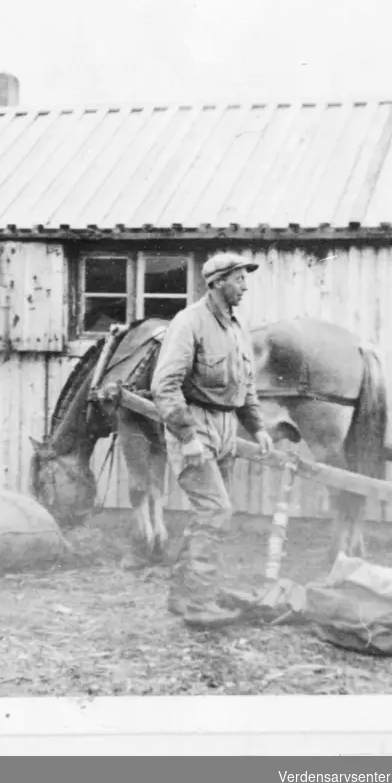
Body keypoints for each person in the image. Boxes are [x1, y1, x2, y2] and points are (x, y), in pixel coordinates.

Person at [150, 253, 275, 630]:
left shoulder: (237, 327)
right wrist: (186, 437)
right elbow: (164, 386)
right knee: (216, 511)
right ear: (218, 281)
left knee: (212, 515)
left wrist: (258, 428)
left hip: (225, 431)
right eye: (239, 278)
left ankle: (187, 594)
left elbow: (246, 386)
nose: (245, 285)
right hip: (195, 426)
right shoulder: (188, 323)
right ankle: (200, 603)